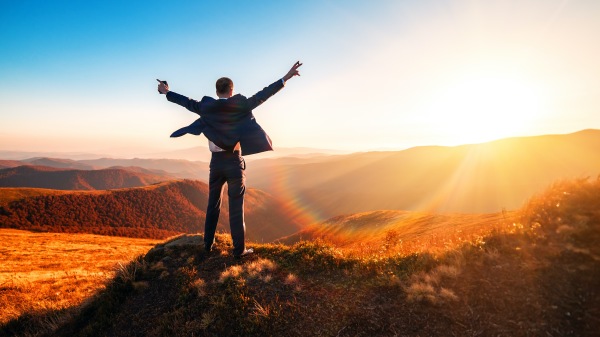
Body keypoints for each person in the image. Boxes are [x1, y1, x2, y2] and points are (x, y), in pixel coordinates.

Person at [157, 61, 302, 258]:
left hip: (215, 163)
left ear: (217, 91)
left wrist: (167, 92)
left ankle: (207, 245)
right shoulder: (240, 106)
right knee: (236, 207)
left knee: (212, 205)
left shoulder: (207, 107)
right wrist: (285, 78)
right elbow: (262, 96)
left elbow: (187, 102)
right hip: (234, 162)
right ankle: (239, 251)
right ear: (231, 91)